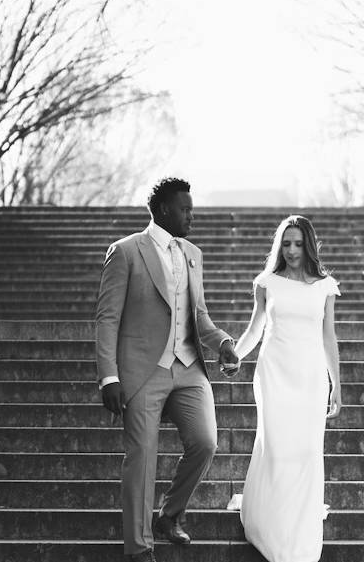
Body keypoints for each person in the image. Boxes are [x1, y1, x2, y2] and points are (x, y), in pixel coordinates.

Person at [95, 177, 239, 562]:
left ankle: (169, 515)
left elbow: (200, 317)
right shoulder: (125, 252)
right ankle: (139, 549)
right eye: (185, 209)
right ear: (163, 210)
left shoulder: (193, 253)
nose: (191, 215)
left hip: (189, 367)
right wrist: (109, 376)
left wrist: (223, 343)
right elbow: (107, 318)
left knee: (206, 441)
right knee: (142, 456)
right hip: (143, 370)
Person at [232, 214, 341, 562]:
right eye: (286, 243)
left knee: (306, 453)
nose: (292, 250)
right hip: (274, 374)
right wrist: (233, 354)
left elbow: (328, 336)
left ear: (308, 244)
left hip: (310, 378)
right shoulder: (267, 282)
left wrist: (336, 383)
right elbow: (255, 329)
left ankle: (299, 531)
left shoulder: (325, 286)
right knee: (277, 450)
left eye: (298, 243)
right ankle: (270, 527)